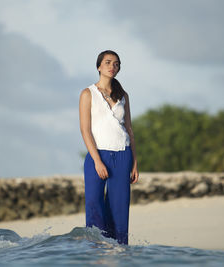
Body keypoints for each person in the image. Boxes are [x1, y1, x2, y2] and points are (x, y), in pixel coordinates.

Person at [79, 50, 139, 245]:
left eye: (116, 64)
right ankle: (96, 250)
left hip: (123, 156)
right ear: (99, 66)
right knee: (94, 205)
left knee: (119, 208)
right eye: (108, 62)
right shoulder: (88, 94)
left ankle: (119, 251)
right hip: (98, 156)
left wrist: (135, 163)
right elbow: (85, 130)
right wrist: (97, 160)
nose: (112, 66)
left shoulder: (124, 95)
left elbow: (129, 129)